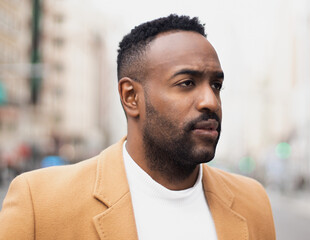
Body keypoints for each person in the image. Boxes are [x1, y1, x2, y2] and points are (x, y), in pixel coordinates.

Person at [0, 14, 275, 239]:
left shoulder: (253, 202)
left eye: (216, 85)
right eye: (187, 83)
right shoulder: (41, 203)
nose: (210, 101)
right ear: (131, 97)